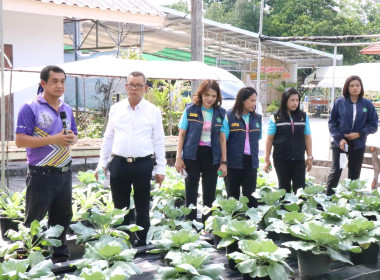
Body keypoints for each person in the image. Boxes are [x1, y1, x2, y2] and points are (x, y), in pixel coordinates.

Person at [15, 65, 77, 263]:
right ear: (43, 83)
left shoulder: (66, 109)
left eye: (62, 81)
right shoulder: (30, 107)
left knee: (62, 218)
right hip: (41, 173)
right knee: (33, 221)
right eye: (55, 81)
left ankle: (60, 260)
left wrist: (70, 138)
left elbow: (73, 135)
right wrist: (54, 139)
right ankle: (23, 262)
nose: (60, 86)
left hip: (65, 172)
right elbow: (20, 141)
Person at [95, 71, 166, 246]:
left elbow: (159, 141)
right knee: (120, 206)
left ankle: (142, 242)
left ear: (145, 88)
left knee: (142, 206)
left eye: (138, 85)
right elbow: (108, 137)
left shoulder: (153, 111)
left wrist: (161, 169)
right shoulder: (116, 109)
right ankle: (122, 241)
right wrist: (102, 163)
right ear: (126, 86)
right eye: (131, 85)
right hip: (119, 163)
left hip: (143, 164)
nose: (134, 88)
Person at [175, 80, 227, 224]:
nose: (210, 99)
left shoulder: (221, 113)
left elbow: (223, 139)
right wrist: (178, 157)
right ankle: (189, 224)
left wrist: (224, 162)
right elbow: (181, 134)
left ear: (218, 97)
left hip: (212, 157)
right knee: (191, 190)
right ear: (201, 94)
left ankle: (208, 225)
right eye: (207, 95)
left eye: (213, 96)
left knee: (209, 192)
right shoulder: (190, 110)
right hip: (192, 155)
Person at [326, 75, 378, 195]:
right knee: (336, 171)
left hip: (358, 144)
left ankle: (351, 202)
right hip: (340, 144)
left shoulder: (367, 104)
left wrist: (360, 134)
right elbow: (332, 123)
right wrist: (340, 139)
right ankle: (327, 200)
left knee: (354, 175)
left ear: (361, 87)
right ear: (347, 88)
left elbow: (374, 125)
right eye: (352, 85)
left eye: (357, 85)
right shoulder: (339, 103)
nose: (355, 88)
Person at [264, 88, 313, 193]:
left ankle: (298, 209)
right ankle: (284, 208)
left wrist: (309, 157)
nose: (295, 103)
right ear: (285, 100)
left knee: (300, 189)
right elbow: (269, 139)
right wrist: (266, 159)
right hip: (281, 159)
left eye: (297, 100)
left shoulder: (303, 117)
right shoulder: (276, 117)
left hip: (299, 159)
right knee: (284, 188)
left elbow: (307, 137)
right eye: (292, 100)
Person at [223, 87, 262, 208]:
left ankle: (251, 223)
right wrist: (223, 163)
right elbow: (223, 140)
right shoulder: (229, 116)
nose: (254, 104)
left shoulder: (257, 118)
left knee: (251, 197)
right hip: (233, 162)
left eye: (255, 101)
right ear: (242, 100)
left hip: (250, 163)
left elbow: (258, 139)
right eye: (251, 101)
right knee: (232, 197)